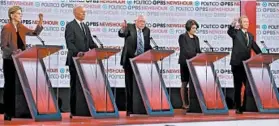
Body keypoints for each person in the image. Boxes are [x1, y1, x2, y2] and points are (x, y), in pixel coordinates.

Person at [0, 6, 43, 121]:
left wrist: (40, 22)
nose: (20, 15)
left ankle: (19, 111)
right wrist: (14, 52)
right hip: (9, 61)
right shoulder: (7, 28)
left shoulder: (20, 27)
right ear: (12, 15)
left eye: (20, 13)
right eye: (18, 13)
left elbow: (34, 33)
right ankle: (8, 112)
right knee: (9, 86)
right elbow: (3, 46)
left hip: (20, 60)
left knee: (20, 86)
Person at [65, 5, 98, 118]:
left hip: (86, 62)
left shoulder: (85, 26)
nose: (84, 14)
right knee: (75, 85)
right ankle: (73, 111)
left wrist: (99, 49)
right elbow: (70, 43)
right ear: (75, 13)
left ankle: (86, 109)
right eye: (82, 12)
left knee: (86, 86)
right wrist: (78, 53)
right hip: (75, 60)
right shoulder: (70, 26)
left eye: (85, 12)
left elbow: (90, 43)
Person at [118, 15, 152, 116]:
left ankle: (141, 108)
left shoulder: (147, 30)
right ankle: (129, 109)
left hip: (142, 62)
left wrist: (155, 52)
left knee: (141, 85)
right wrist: (122, 29)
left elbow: (146, 45)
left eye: (144, 22)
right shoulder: (129, 27)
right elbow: (122, 34)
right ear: (135, 21)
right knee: (129, 86)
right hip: (129, 61)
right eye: (140, 21)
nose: (142, 23)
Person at [227, 16, 262, 114]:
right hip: (237, 64)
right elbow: (229, 31)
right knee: (237, 87)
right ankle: (238, 107)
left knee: (248, 86)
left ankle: (244, 106)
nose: (247, 23)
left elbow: (256, 48)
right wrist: (233, 23)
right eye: (244, 21)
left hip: (246, 65)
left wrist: (264, 56)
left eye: (247, 21)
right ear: (241, 23)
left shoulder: (250, 36)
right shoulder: (236, 33)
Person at [178, 19, 201, 110]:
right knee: (184, 82)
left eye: (196, 28)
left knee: (193, 83)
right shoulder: (182, 37)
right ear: (188, 28)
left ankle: (194, 103)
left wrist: (202, 55)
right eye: (193, 28)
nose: (195, 30)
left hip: (194, 63)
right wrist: (195, 56)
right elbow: (184, 50)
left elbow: (198, 50)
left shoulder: (196, 38)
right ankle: (185, 103)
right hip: (185, 63)